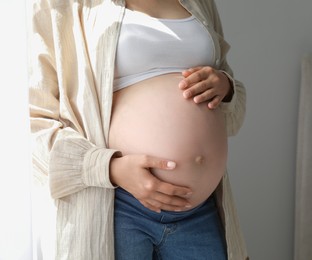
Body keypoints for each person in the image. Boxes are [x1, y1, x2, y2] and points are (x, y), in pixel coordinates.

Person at [28, 0, 248, 259]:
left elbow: (234, 111)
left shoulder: (200, 3)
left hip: (200, 210)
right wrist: (110, 169)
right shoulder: (61, 6)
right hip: (117, 207)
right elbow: (32, 123)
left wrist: (224, 86)